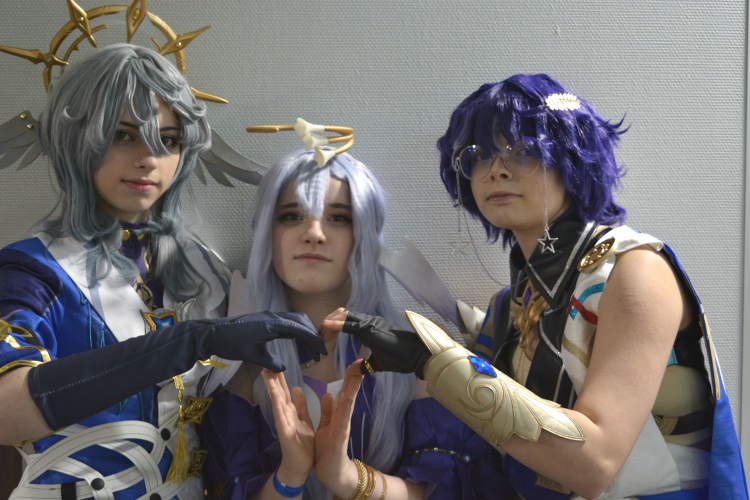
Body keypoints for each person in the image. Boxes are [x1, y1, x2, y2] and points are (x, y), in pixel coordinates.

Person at [334, 74, 747, 499]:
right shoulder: (508, 305)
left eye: (523, 151)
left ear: (573, 160)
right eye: (478, 155)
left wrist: (433, 362)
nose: (496, 170)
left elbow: (596, 464)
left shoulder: (633, 269)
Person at [0, 44, 324, 499]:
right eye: (123, 135)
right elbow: (6, 414)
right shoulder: (32, 270)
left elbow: (229, 440)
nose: (149, 159)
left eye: (168, 140)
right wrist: (189, 342)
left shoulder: (205, 270)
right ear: (77, 140)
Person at [200, 148, 504, 499]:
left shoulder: (416, 348)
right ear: (266, 231)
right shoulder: (237, 362)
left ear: (367, 235)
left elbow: (442, 489)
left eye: (339, 218)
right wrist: (289, 476)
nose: (314, 233)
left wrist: (347, 478)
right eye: (292, 216)